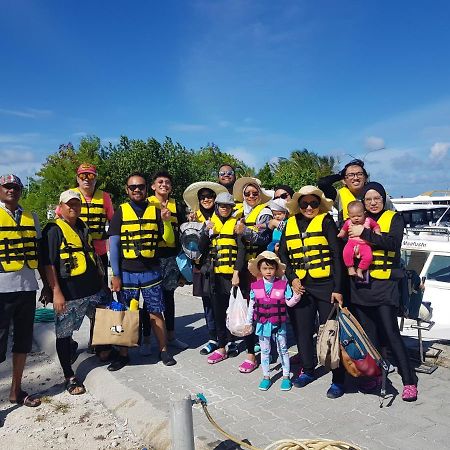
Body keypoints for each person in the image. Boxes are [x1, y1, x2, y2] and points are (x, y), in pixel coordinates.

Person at [347, 182, 418, 401]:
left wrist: (365, 233)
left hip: (385, 286)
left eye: (377, 198)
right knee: (370, 336)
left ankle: (409, 380)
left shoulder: (393, 218)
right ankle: (377, 375)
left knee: (391, 332)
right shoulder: (355, 220)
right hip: (362, 286)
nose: (373, 202)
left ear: (384, 198)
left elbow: (393, 243)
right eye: (368, 199)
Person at [278, 185, 346, 399]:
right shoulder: (289, 224)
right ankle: (308, 369)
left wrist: (337, 288)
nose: (309, 207)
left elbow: (337, 256)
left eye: (314, 203)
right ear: (298, 205)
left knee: (331, 332)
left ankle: (338, 378)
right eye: (304, 203)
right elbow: (283, 258)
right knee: (302, 330)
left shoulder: (326, 221)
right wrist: (293, 278)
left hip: (325, 285)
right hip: (301, 286)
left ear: (319, 204)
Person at [108, 172, 176, 370]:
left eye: (140, 186)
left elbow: (170, 239)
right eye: (132, 187)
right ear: (127, 190)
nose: (137, 190)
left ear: (147, 189)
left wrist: (166, 221)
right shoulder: (121, 211)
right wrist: (116, 275)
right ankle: (123, 354)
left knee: (156, 312)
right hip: (127, 272)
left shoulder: (156, 211)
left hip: (151, 270)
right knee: (125, 314)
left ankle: (163, 350)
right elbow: (113, 245)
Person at [42, 190, 104, 395]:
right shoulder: (53, 230)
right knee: (64, 333)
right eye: (69, 204)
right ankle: (69, 375)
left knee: (102, 320)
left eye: (76, 204)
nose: (73, 208)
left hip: (92, 289)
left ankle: (99, 348)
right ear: (61, 206)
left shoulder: (82, 226)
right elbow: (48, 264)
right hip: (69, 293)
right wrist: (56, 292)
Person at [0, 174, 42, 407]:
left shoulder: (31, 217)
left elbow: (40, 254)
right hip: (1, 290)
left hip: (27, 288)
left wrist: (47, 286)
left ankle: (16, 391)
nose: (12, 190)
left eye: (16, 187)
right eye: (7, 186)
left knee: (23, 342)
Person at [71, 163, 114, 356]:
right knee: (75, 298)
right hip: (76, 256)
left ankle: (97, 340)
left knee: (100, 298)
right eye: (83, 176)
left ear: (95, 178)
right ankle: (67, 340)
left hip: (99, 255)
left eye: (90, 176)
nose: (86, 179)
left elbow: (113, 223)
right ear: (77, 178)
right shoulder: (69, 196)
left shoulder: (104, 197)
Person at [198, 192, 246, 364]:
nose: (224, 208)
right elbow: (200, 247)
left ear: (232, 208)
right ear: (217, 207)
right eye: (221, 205)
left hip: (231, 275)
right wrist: (205, 231)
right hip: (215, 275)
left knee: (232, 310)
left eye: (228, 206)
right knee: (218, 311)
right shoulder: (210, 224)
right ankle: (221, 345)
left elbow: (241, 250)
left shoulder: (237, 224)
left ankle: (232, 341)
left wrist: (236, 272)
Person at [183, 181, 228, 355]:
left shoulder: (223, 215)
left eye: (210, 196)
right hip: (202, 266)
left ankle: (227, 337)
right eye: (202, 197)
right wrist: (192, 225)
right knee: (207, 302)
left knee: (224, 302)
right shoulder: (194, 218)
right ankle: (213, 337)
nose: (206, 199)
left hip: (222, 265)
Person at [233, 177, 273, 373]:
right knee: (249, 312)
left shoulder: (265, 213)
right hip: (245, 270)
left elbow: (264, 238)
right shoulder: (238, 213)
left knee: (266, 310)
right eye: (247, 194)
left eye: (254, 193)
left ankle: (268, 348)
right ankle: (251, 353)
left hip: (262, 271)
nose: (250, 196)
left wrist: (246, 231)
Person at [246, 251, 301, 391]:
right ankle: (266, 376)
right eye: (265, 268)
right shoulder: (255, 286)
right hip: (262, 324)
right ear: (260, 269)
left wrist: (297, 296)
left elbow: (289, 303)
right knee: (265, 351)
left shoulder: (283, 284)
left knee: (283, 349)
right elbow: (251, 306)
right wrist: (248, 323)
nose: (268, 271)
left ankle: (286, 376)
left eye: (271, 268)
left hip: (279, 324)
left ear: (276, 269)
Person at [148, 171, 188, 351]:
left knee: (169, 297)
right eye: (160, 182)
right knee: (149, 299)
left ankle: (171, 336)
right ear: (153, 186)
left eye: (167, 182)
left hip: (171, 257)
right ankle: (147, 339)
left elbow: (182, 234)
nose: (164, 185)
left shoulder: (177, 207)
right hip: (152, 257)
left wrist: (181, 269)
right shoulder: (146, 204)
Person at [318, 159, 394, 227]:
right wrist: (340, 175)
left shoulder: (378, 194)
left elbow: (393, 215)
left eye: (359, 174)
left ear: (366, 178)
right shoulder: (338, 196)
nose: (356, 178)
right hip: (349, 240)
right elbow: (323, 183)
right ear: (344, 180)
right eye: (351, 175)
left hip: (375, 237)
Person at [337, 200, 381, 279]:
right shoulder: (348, 222)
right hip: (351, 243)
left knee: (369, 257)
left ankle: (360, 270)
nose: (356, 218)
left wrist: (377, 232)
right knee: (346, 252)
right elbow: (343, 230)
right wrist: (341, 234)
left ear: (364, 214)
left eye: (359, 216)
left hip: (365, 244)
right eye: (353, 216)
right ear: (349, 215)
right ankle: (350, 268)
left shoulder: (368, 220)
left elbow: (376, 226)